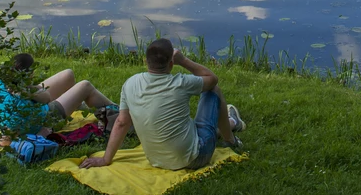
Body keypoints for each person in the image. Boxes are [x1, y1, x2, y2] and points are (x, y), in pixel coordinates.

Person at [80, 39, 244, 172]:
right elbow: (212, 79)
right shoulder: (181, 83)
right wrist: (184, 60)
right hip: (196, 157)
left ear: (146, 61)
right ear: (171, 64)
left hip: (157, 160)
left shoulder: (130, 84)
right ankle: (230, 138)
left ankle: (230, 123)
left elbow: (122, 122)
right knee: (213, 91)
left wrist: (105, 159)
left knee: (194, 126)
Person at [0, 53, 117, 139]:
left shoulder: (2, 83)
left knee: (68, 75)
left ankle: (77, 104)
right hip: (46, 117)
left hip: (29, 111)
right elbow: (46, 98)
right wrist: (31, 90)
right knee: (85, 86)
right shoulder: (23, 102)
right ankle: (119, 116)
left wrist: (29, 87)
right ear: (27, 75)